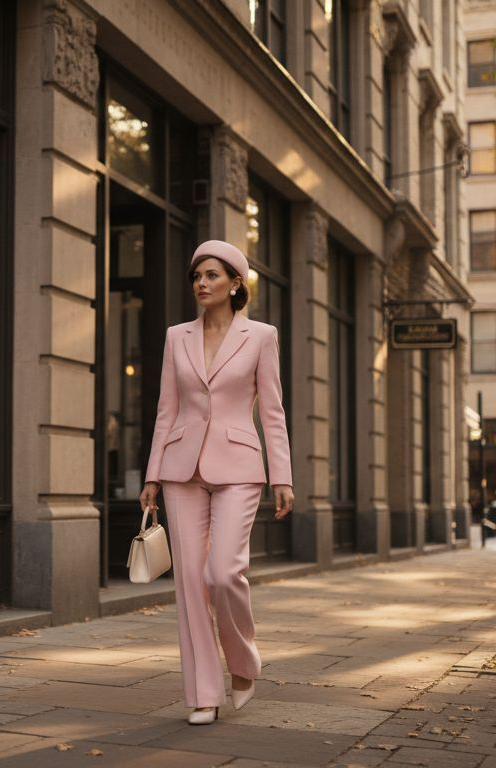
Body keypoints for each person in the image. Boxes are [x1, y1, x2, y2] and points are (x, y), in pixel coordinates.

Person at [138, 240, 294, 725]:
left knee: (222, 573)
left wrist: (282, 476)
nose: (201, 284)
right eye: (196, 277)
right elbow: (167, 409)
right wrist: (152, 474)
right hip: (181, 468)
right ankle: (203, 694)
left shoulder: (261, 337)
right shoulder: (175, 337)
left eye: (211, 276)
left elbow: (272, 411)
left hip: (240, 468)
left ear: (234, 284)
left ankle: (244, 664)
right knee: (189, 584)